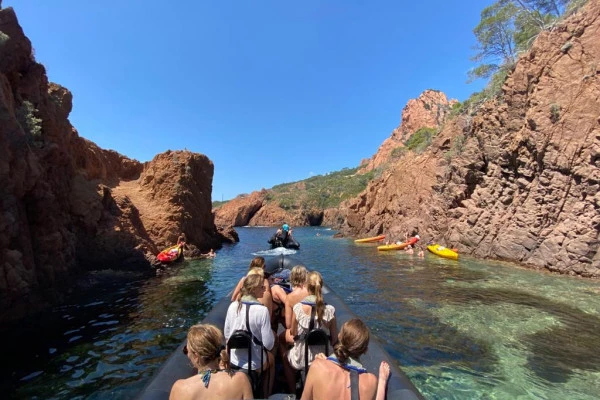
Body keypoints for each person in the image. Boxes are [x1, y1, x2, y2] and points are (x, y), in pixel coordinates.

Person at [300, 318, 380, 400]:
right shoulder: (371, 382)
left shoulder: (318, 367)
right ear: (365, 350)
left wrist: (324, 362)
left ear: (339, 337)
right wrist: (383, 381)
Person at [283, 271, 337, 393]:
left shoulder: (298, 308)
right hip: (323, 357)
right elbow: (334, 340)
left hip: (301, 357)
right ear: (321, 287)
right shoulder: (330, 310)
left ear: (307, 286)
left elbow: (293, 333)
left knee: (285, 358)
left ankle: (293, 392)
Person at [169, 324, 253, 400]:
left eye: (186, 350)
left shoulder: (180, 388)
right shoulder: (241, 380)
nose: (187, 354)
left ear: (196, 356)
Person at [224, 274, 276, 397]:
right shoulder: (262, 311)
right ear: (253, 289)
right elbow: (268, 344)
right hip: (255, 363)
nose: (264, 289)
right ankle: (265, 394)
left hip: (235, 360)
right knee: (272, 360)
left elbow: (227, 334)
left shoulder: (232, 307)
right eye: (261, 287)